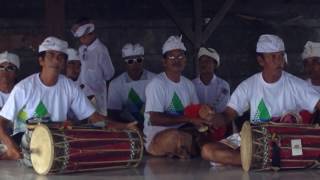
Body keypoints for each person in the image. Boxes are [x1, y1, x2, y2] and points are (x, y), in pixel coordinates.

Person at [0, 36, 135, 161]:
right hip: (27, 138)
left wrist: (123, 126)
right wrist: (11, 146)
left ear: (64, 63)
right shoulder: (24, 88)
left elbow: (94, 118)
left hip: (57, 138)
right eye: (51, 55)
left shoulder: (69, 86)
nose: (56, 60)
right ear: (41, 60)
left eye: (60, 57)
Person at [201, 34, 320, 166]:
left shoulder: (296, 84)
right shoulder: (248, 85)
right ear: (261, 61)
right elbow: (228, 115)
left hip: (287, 141)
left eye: (281, 55)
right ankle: (266, 161)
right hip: (253, 137)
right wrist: (213, 117)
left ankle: (263, 160)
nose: (279, 60)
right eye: (273, 56)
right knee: (208, 151)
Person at [143, 35, 211, 159]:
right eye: (171, 57)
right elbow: (155, 119)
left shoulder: (188, 84)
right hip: (157, 135)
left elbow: (195, 112)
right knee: (175, 137)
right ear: (164, 62)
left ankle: (184, 149)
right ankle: (185, 148)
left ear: (185, 60)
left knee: (212, 132)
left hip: (184, 130)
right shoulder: (157, 84)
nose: (176, 60)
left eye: (180, 56)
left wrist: (206, 115)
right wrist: (189, 120)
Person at [71, 17, 115, 116]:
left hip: (96, 98)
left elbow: (109, 74)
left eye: (84, 37)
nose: (82, 40)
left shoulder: (101, 50)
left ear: (91, 34)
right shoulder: (81, 49)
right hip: (81, 96)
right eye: (80, 38)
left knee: (97, 125)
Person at [108, 43, 155, 130]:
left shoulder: (155, 80)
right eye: (130, 61)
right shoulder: (115, 84)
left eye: (139, 60)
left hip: (153, 127)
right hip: (128, 129)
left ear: (143, 61)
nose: (135, 64)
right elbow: (113, 115)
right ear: (124, 63)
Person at [193, 47, 230, 113]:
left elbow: (222, 109)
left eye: (207, 61)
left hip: (217, 121)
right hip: (196, 122)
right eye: (201, 61)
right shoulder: (191, 84)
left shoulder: (223, 85)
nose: (203, 64)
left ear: (215, 65)